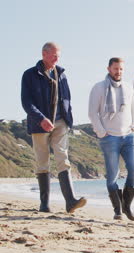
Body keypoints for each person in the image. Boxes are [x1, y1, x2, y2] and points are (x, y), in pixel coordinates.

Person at [21, 42, 87, 213]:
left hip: (60, 123)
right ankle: (44, 204)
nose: (57, 58)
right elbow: (26, 102)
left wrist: (69, 120)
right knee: (42, 162)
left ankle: (70, 201)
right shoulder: (29, 75)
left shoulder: (62, 74)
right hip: (39, 124)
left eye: (59, 55)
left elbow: (67, 99)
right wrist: (41, 118)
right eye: (54, 55)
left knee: (63, 158)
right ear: (44, 54)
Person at [88, 57, 134, 221]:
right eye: (116, 69)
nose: (119, 72)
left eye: (121, 69)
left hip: (128, 137)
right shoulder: (99, 88)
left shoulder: (128, 88)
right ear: (109, 69)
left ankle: (127, 206)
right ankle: (117, 210)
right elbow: (92, 113)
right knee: (113, 175)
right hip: (109, 138)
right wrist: (102, 132)